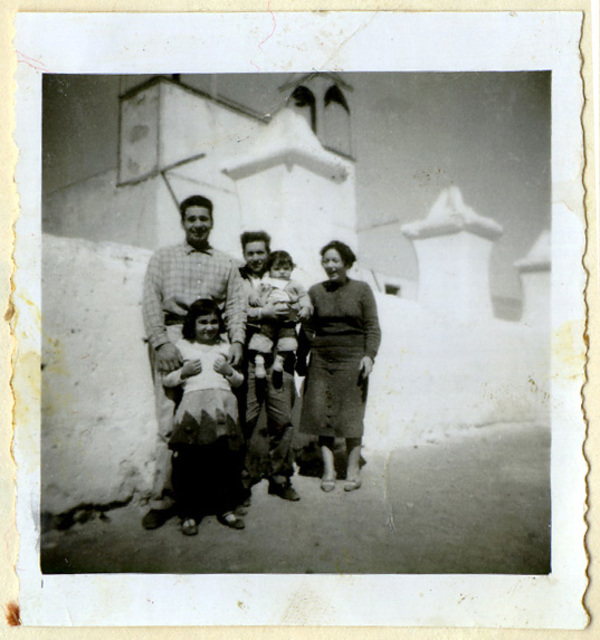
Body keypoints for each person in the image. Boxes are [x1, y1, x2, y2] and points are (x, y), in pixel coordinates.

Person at [141, 195, 246, 530]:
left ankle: (219, 498)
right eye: (191, 219)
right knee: (169, 424)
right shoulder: (163, 258)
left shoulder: (228, 263)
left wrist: (238, 342)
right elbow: (151, 302)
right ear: (183, 222)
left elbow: (236, 306)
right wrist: (161, 343)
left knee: (217, 426)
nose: (198, 224)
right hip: (173, 340)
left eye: (204, 218)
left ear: (212, 221)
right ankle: (164, 498)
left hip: (213, 341)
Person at [298, 240, 381, 492]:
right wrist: (301, 358)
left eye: (335, 260)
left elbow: (372, 328)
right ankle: (328, 470)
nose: (330, 265)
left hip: (353, 360)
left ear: (346, 262)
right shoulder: (314, 291)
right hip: (321, 360)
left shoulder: (362, 290)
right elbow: (307, 329)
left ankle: (352, 470)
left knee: (351, 416)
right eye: (326, 261)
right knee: (323, 415)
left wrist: (369, 356)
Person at [163, 299, 246, 535]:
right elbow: (166, 380)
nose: (209, 327)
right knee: (190, 461)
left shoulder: (225, 345)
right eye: (203, 322)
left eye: (213, 322)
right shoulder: (183, 346)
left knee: (224, 459)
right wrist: (183, 373)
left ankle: (225, 508)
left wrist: (229, 372)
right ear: (193, 324)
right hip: (194, 408)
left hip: (222, 406)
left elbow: (239, 381)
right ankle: (189, 512)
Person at [238, 231, 300, 501]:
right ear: (244, 254)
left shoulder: (283, 277)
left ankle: (279, 476)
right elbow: (235, 309)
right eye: (250, 253)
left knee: (281, 418)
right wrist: (265, 313)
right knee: (248, 416)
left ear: (268, 252)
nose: (255, 258)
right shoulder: (237, 279)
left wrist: (291, 311)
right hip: (250, 353)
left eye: (260, 252)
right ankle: (243, 476)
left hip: (281, 354)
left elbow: (297, 308)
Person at [247, 250, 312, 388]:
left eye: (286, 268)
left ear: (291, 269)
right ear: (269, 270)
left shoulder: (294, 284)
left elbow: (303, 297)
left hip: (286, 321)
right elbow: (254, 295)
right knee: (263, 338)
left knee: (288, 340)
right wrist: (255, 299)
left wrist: (305, 307)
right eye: (277, 269)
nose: (281, 272)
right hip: (269, 319)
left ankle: (280, 362)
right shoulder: (266, 283)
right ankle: (260, 363)